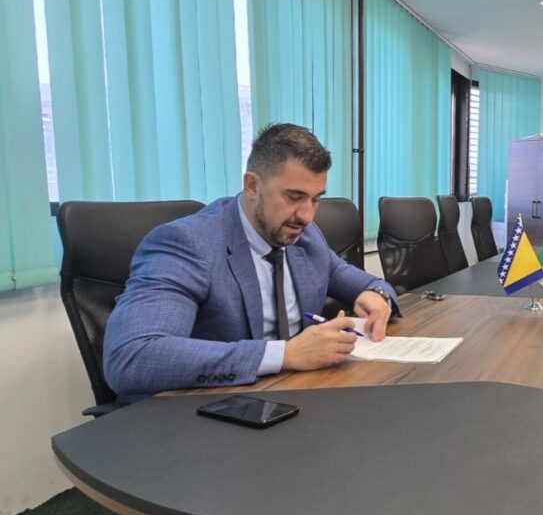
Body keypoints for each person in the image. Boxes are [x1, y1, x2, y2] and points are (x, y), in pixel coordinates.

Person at [104, 123, 398, 402]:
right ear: (253, 186)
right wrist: (285, 354)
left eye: (315, 199)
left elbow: (369, 283)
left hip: (294, 395)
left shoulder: (305, 237)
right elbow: (132, 357)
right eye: (294, 197)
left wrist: (377, 296)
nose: (307, 216)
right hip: (207, 408)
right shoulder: (189, 243)